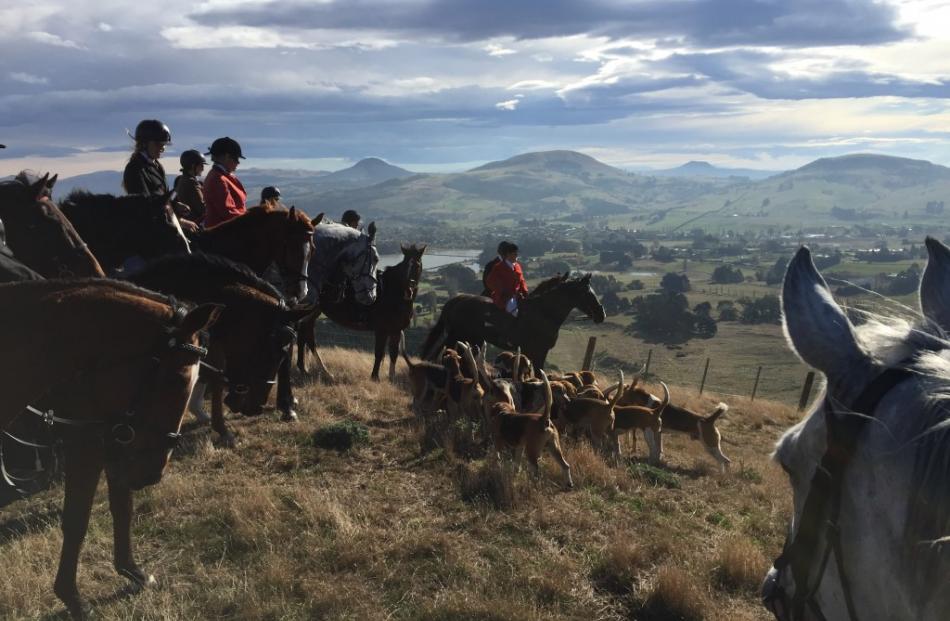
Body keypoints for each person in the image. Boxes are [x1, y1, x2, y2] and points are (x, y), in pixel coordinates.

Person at [203, 136, 247, 228]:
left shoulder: (222, 176)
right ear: (227, 157)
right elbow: (228, 212)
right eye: (236, 159)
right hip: (224, 234)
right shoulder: (218, 179)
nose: (238, 162)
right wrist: (251, 223)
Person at [122, 119, 171, 196]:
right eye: (158, 144)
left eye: (164, 144)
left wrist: (175, 204)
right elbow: (142, 202)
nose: (162, 148)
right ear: (144, 143)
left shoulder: (158, 166)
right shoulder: (134, 169)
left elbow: (165, 196)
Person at [486, 241, 528, 316]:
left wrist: (525, 293)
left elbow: (522, 281)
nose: (517, 255)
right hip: (504, 299)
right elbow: (490, 282)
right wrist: (503, 292)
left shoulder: (517, 266)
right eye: (515, 253)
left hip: (518, 296)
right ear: (508, 254)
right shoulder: (498, 267)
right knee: (515, 312)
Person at [173, 149, 207, 228]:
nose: (203, 168)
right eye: (201, 165)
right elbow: (203, 209)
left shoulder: (181, 179)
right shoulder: (191, 182)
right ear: (193, 166)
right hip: (195, 225)